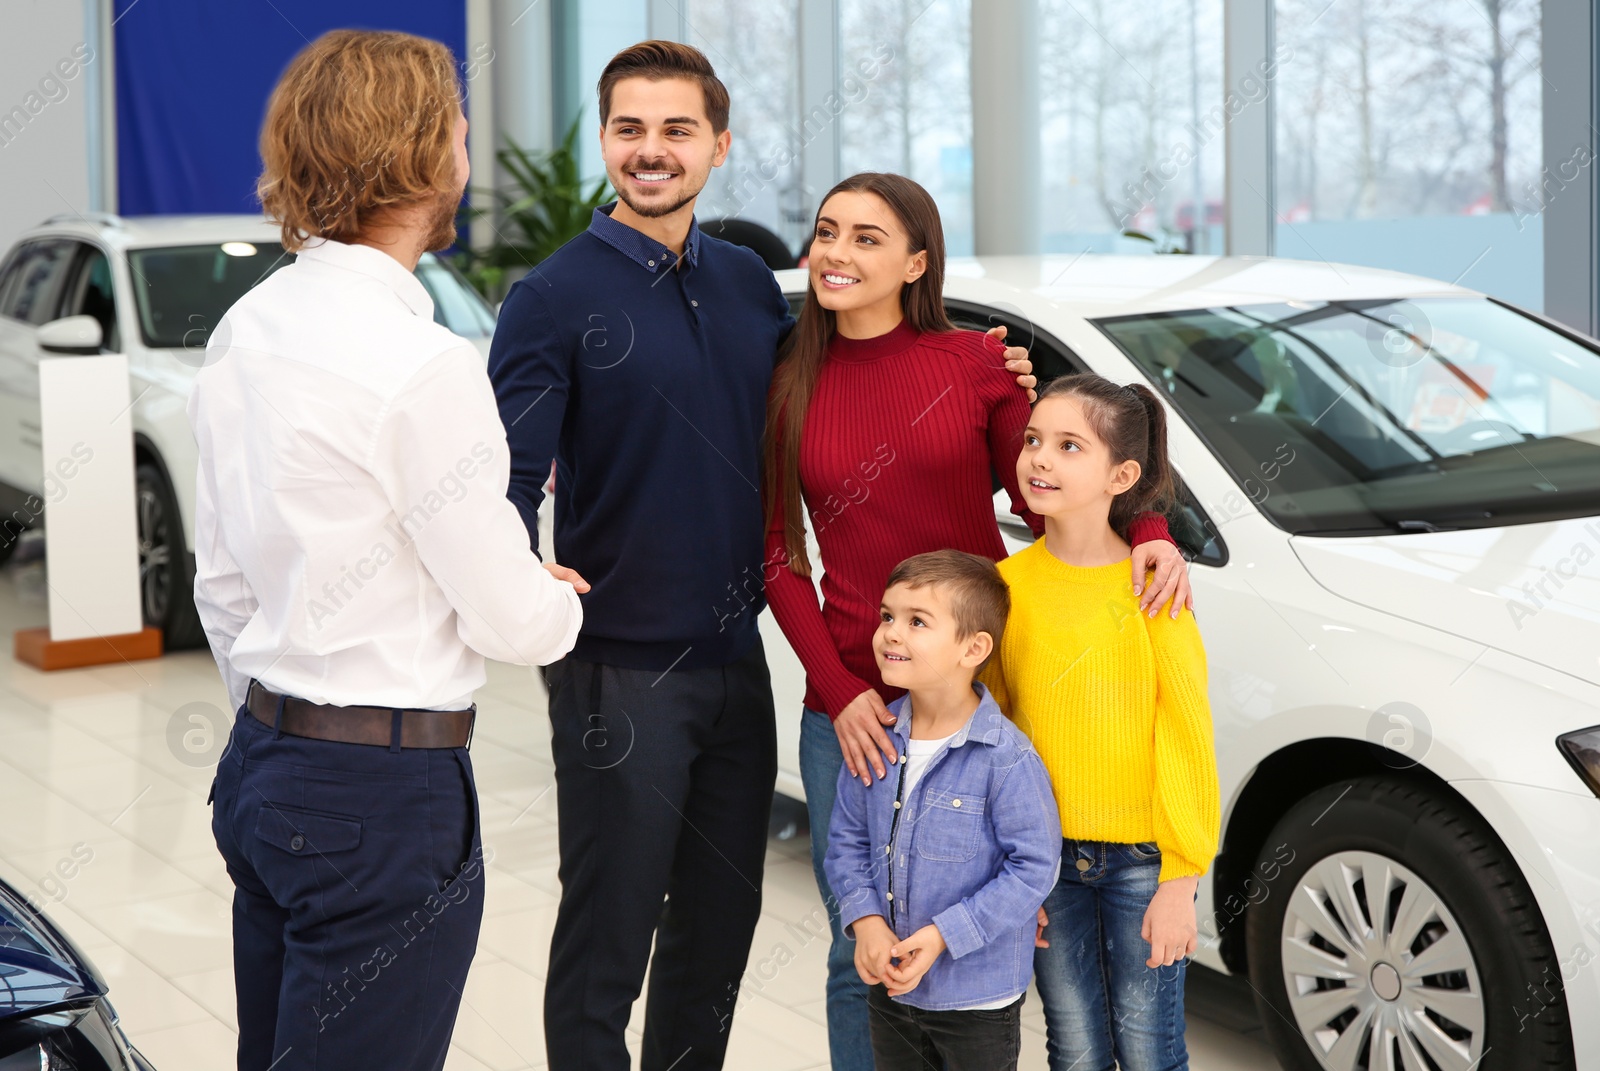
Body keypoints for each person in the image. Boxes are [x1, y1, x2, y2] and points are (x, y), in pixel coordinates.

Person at [486, 43, 1035, 1071]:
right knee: (609, 936)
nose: (652, 151)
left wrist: (991, 368)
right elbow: (504, 486)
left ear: (718, 145)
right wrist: (523, 572)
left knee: (716, 931)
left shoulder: (747, 284)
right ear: (607, 140)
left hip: (736, 666)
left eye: (677, 130)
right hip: (619, 667)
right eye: (630, 129)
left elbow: (857, 376)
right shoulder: (550, 297)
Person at [190, 30, 585, 1071]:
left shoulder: (248, 328)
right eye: (457, 121)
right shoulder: (422, 364)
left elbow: (222, 581)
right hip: (380, 793)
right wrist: (557, 598)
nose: (467, 140)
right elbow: (511, 621)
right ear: (424, 154)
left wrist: (285, 703)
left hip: (265, 762)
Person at [760, 170, 1192, 1068]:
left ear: (917, 262)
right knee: (861, 946)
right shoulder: (789, 378)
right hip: (855, 711)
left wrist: (1149, 529)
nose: (837, 253)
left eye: (868, 238)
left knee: (989, 936)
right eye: (827, 232)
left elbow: (1057, 498)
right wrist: (840, 690)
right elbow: (777, 554)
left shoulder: (979, 366)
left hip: (981, 699)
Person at [984, 373, 1221, 1071]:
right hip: (1044, 860)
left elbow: (1187, 737)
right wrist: (1010, 871)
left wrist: (1182, 879)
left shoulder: (1156, 588)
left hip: (1143, 865)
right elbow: (997, 736)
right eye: (1032, 441)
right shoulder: (1007, 585)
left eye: (1067, 446)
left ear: (1122, 474)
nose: (1038, 460)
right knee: (1076, 1048)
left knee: (1150, 1050)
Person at [824, 550, 1061, 1071]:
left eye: (917, 622)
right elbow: (846, 841)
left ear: (973, 648)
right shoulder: (876, 739)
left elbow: (1033, 869)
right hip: (891, 990)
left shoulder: (1007, 757)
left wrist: (942, 936)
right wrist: (865, 920)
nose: (890, 633)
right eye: (887, 616)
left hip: (977, 999)